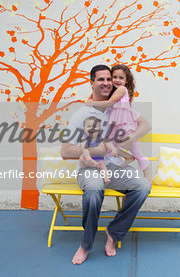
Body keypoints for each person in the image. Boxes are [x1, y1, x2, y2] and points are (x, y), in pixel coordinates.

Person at [61, 64, 152, 265]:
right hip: (91, 166)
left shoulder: (117, 107)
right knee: (93, 191)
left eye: (109, 79)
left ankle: (114, 232)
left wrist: (130, 139)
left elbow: (145, 124)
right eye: (101, 79)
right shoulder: (82, 114)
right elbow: (65, 151)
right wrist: (97, 151)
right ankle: (86, 244)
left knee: (144, 186)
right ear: (91, 82)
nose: (106, 83)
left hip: (114, 168)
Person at [85, 64, 151, 180]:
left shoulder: (122, 90)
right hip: (115, 125)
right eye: (114, 77)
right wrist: (90, 99)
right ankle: (129, 157)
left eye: (121, 78)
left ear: (126, 81)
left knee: (137, 151)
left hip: (125, 126)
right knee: (110, 144)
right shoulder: (114, 93)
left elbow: (109, 103)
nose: (117, 80)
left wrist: (91, 103)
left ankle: (148, 177)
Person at [79, 116, 116, 185]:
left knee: (103, 166)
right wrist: (88, 158)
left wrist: (113, 149)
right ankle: (91, 163)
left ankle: (105, 177)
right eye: (88, 126)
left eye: (94, 126)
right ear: (84, 129)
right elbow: (84, 148)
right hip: (87, 157)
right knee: (82, 157)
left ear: (99, 129)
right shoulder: (84, 137)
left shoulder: (101, 136)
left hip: (98, 157)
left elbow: (108, 143)